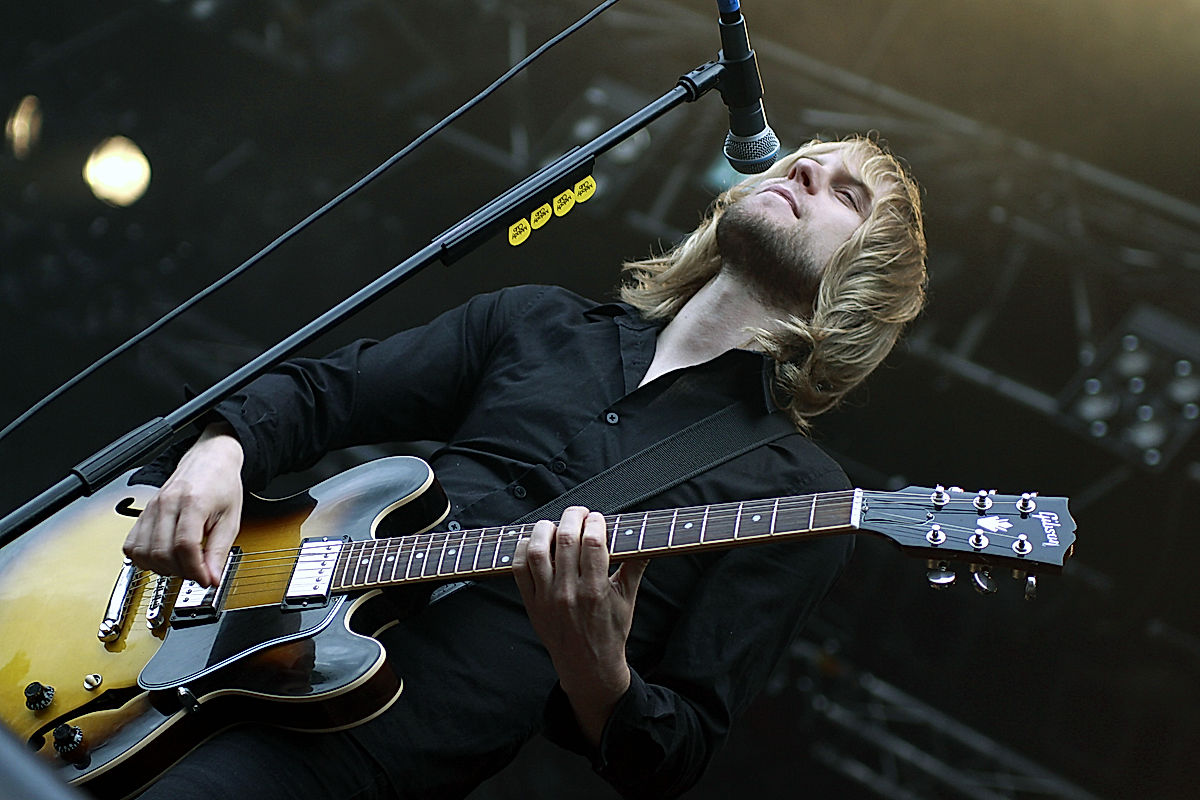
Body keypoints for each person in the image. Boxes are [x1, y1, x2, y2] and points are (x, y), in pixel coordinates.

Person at [123, 134, 927, 799]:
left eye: (845, 194)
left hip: (341, 759)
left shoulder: (798, 495)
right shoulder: (536, 321)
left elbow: (674, 753)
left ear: (858, 288)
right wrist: (216, 452)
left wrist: (598, 666)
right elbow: (321, 393)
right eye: (806, 159)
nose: (806, 168)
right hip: (206, 640)